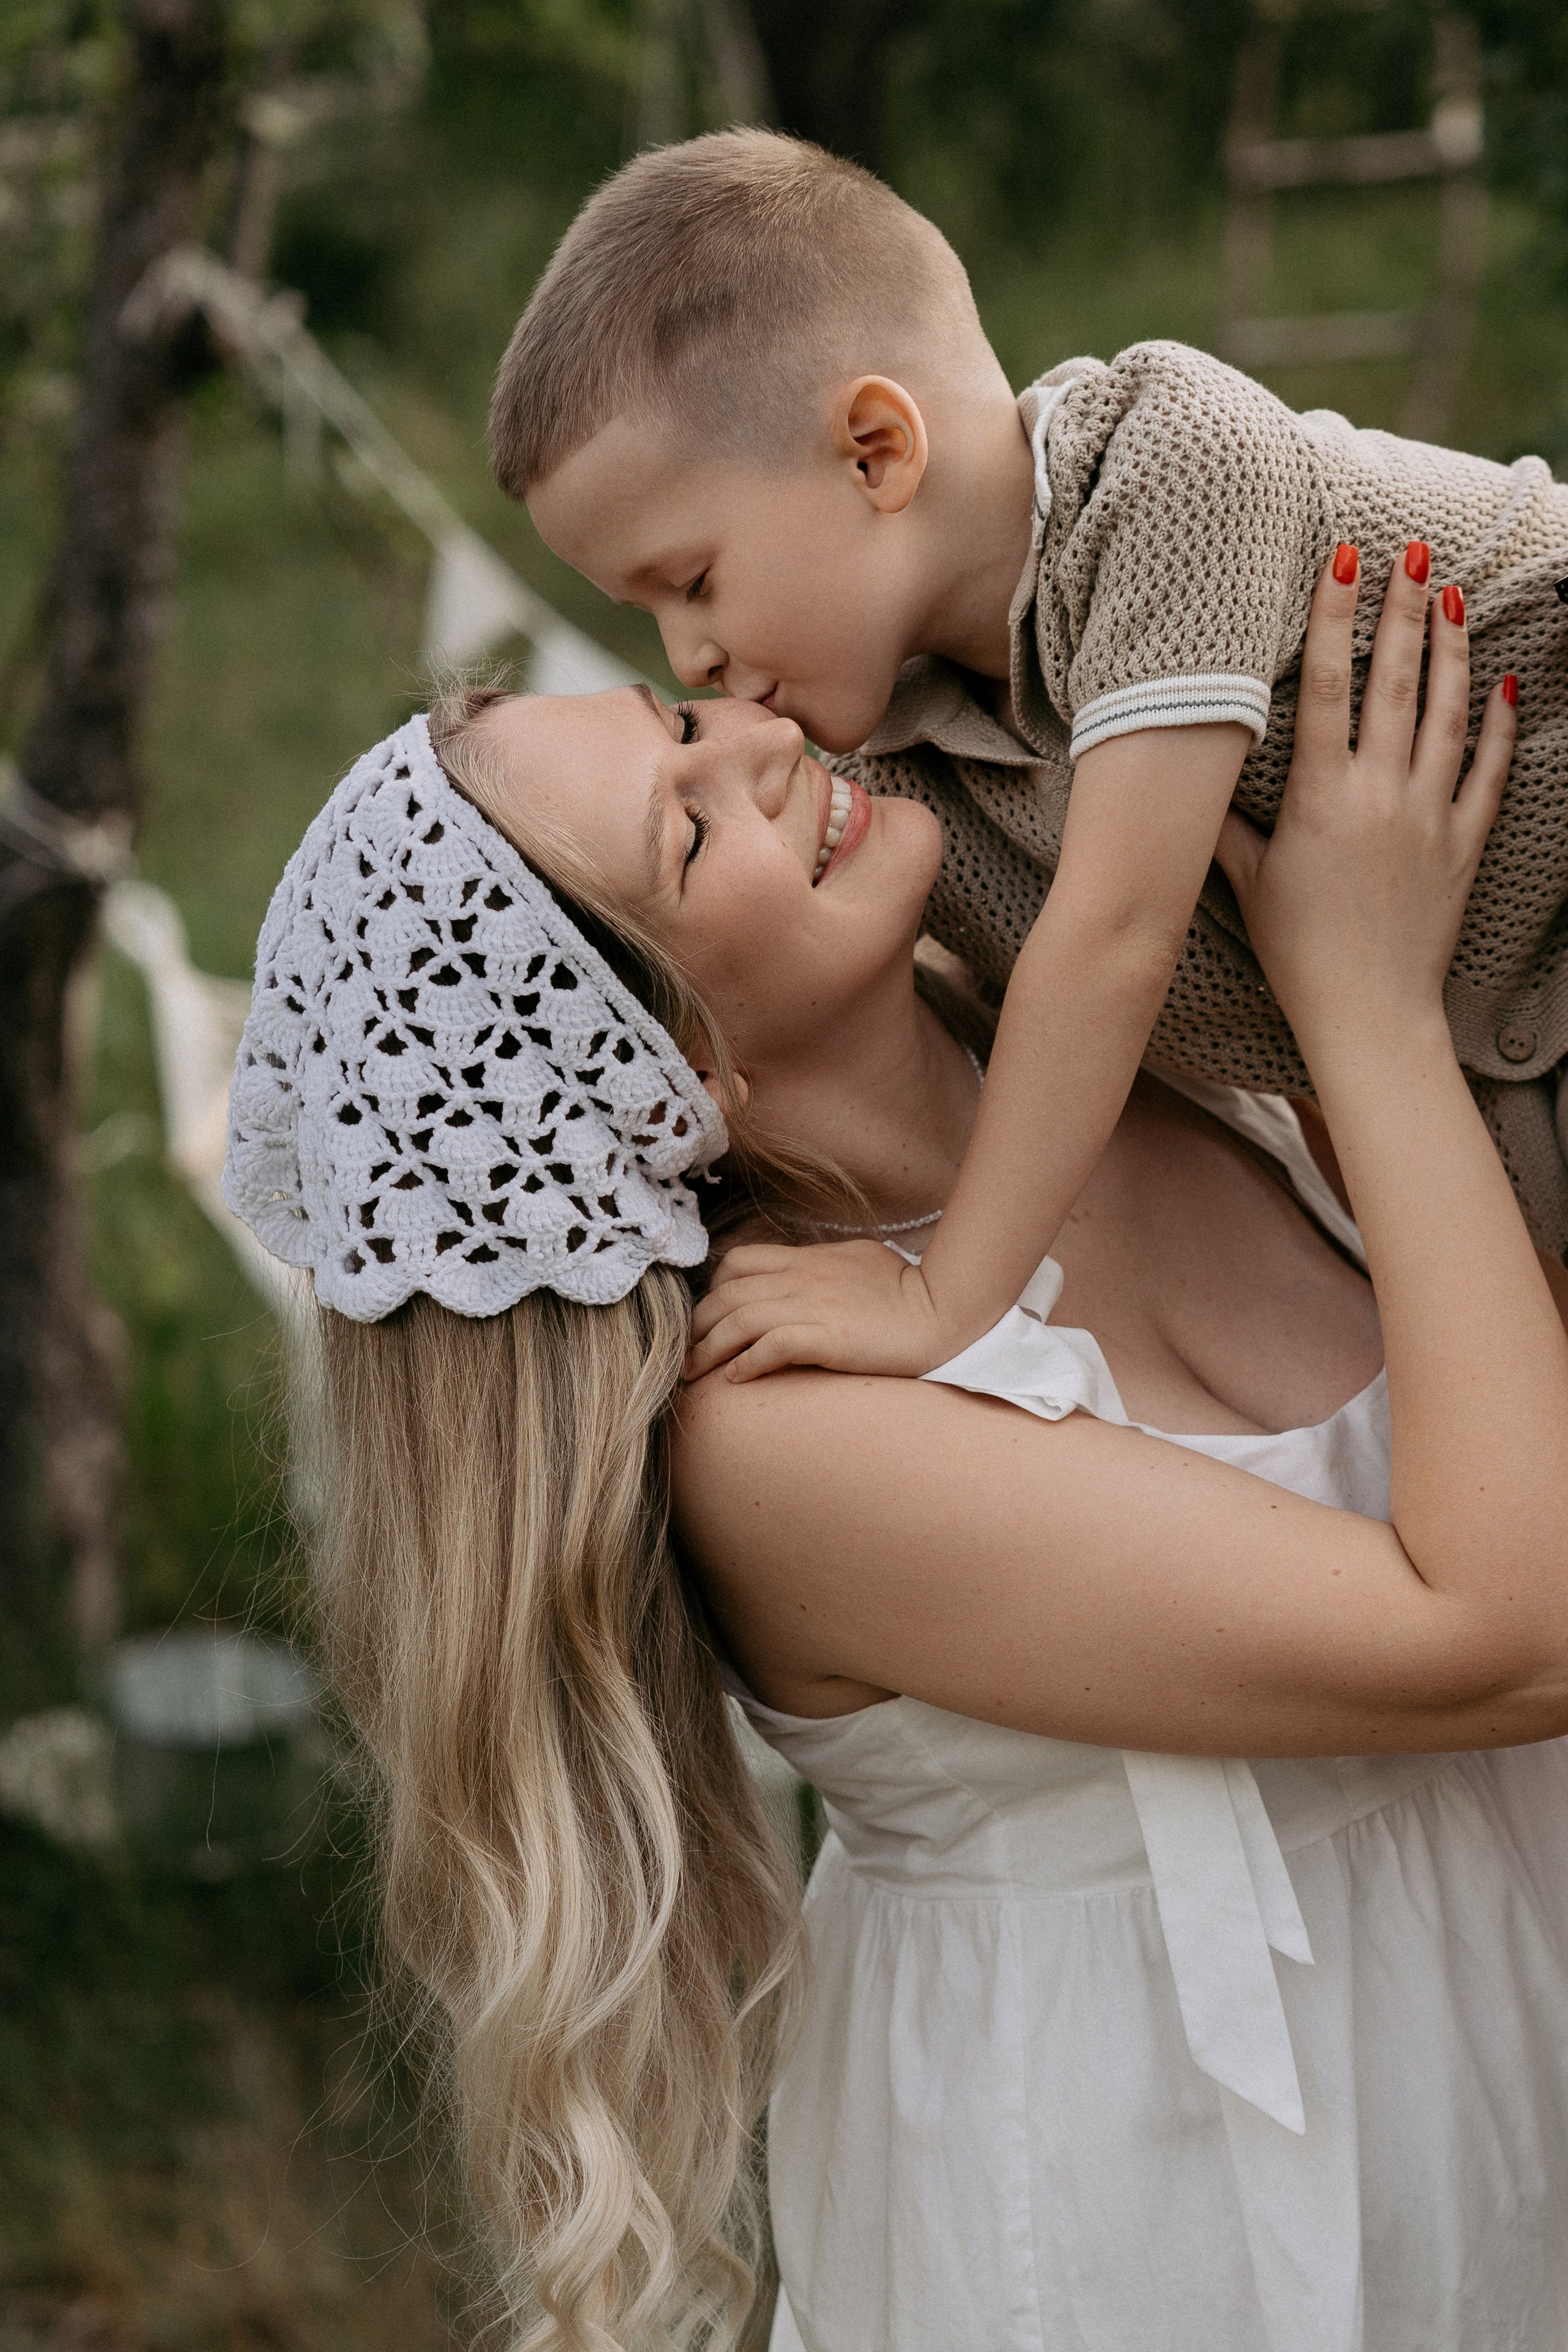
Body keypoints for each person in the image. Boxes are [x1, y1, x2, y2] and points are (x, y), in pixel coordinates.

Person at [223, 562, 1568, 2352]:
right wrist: (1373, 1006)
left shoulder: (1113, 998)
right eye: (688, 842)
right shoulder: (774, 1433)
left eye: (690, 720)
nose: (767, 750)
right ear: (672, 1078)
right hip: (1169, 2205)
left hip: (1500, 2031)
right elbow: (1516, 1628)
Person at [494, 127, 1568, 1280]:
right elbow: (1273, 1043)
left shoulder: (1171, 468)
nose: (688, 656)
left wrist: (948, 1299)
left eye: (692, 581)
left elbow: (1117, 942)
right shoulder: (907, 797)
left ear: (875, 453)